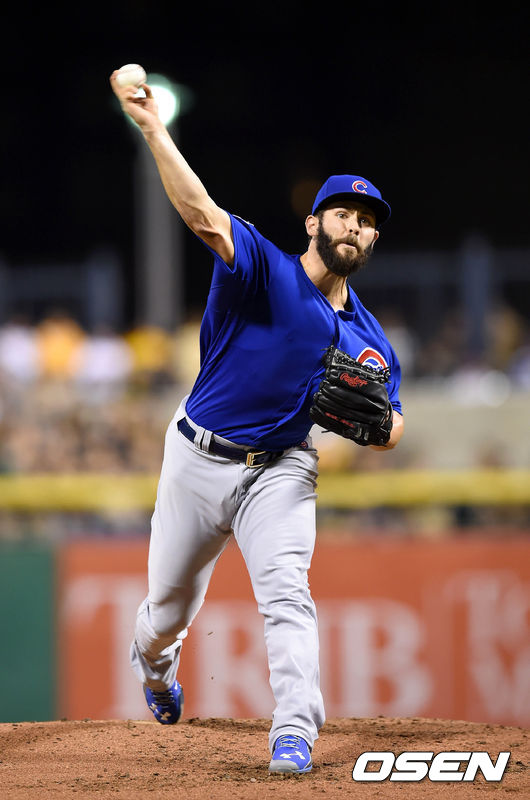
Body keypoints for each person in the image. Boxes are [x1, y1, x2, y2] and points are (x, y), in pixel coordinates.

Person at [110, 70, 404, 775]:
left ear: (371, 240)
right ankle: (156, 671)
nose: (354, 225)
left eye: (366, 221)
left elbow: (392, 424)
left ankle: (294, 732)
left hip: (281, 470)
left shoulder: (370, 342)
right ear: (313, 222)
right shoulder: (265, 272)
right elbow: (204, 216)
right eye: (342, 213)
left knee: (287, 595)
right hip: (196, 457)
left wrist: (381, 430)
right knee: (165, 615)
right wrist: (154, 128)